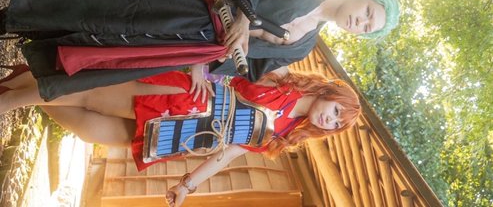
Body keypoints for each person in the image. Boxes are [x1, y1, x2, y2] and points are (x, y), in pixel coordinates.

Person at [0, 0, 400, 95]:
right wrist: (244, 18)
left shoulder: (304, 46)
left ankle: (22, 28)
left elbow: (251, 68)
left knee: (106, 47)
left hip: (189, 44)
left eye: (368, 28)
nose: (361, 22)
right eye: (368, 12)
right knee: (105, 2)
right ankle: (22, 5)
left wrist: (208, 63)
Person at [0, 65, 361, 206]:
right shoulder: (285, 77)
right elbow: (235, 53)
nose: (330, 121)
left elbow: (228, 154)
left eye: (335, 125)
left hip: (182, 136)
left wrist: (187, 185)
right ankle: (12, 97)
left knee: (87, 126)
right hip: (185, 96)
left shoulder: (282, 137)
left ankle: (23, 82)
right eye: (336, 112)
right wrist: (199, 66)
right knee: (91, 97)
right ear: (330, 93)